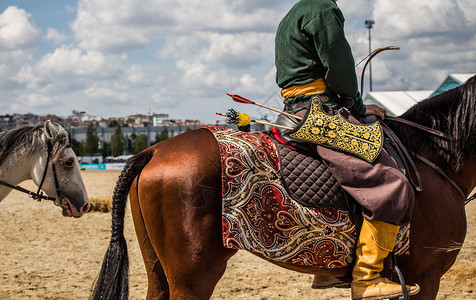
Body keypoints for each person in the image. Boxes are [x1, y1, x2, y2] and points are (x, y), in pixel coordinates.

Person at [275, 0, 420, 299]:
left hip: (295, 109)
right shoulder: (323, 8)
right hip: (320, 113)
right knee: (392, 184)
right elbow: (339, 71)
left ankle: (329, 269)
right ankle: (367, 278)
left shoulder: (293, 12)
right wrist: (358, 105)